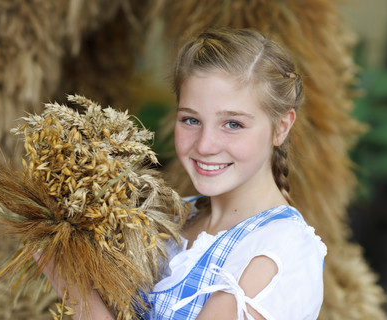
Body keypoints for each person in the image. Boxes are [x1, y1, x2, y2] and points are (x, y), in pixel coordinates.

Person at [37, 27, 327, 320]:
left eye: (233, 124)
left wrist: (73, 287)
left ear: (281, 127)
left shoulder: (279, 251)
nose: (205, 145)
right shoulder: (172, 218)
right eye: (191, 120)